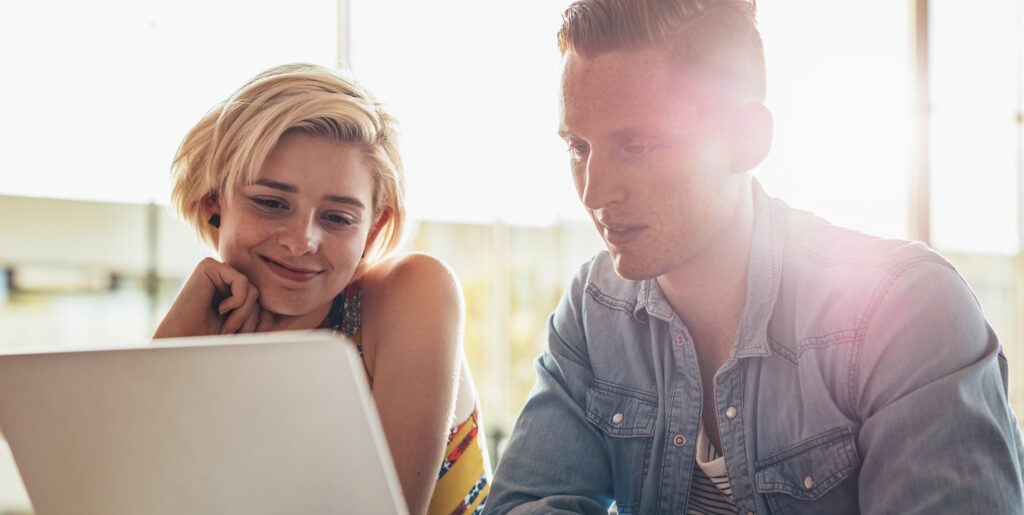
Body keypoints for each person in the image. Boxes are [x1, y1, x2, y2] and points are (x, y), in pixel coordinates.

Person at [486, 1, 1024, 514]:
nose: (593, 191)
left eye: (638, 147)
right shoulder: (594, 308)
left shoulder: (905, 311)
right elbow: (526, 505)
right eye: (578, 148)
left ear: (745, 140)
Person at [153, 63, 490, 515]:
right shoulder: (208, 324)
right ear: (215, 202)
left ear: (373, 231)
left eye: (337, 218)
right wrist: (172, 347)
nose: (301, 241)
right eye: (271, 204)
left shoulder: (411, 293)